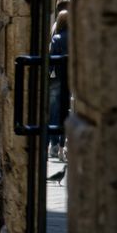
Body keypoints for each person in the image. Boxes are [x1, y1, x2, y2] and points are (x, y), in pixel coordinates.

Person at [48, 10, 69, 160]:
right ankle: (64, 145)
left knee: (55, 112)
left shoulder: (56, 38)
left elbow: (51, 60)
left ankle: (55, 145)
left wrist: (48, 74)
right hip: (74, 79)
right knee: (69, 112)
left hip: (58, 79)